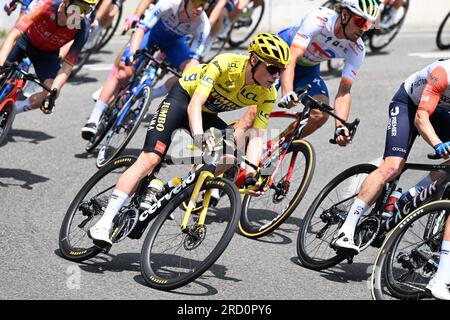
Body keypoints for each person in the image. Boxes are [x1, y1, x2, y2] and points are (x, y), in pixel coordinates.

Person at [87, 32, 291, 248]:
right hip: (183, 100)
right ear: (254, 60)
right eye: (272, 68)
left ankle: (169, 189)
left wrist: (251, 172)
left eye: (281, 70)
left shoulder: (267, 93)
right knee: (150, 159)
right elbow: (195, 103)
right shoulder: (226, 63)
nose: (277, 75)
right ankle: (104, 221)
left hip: (208, 114)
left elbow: (257, 135)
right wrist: (200, 137)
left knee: (230, 157)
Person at [333, 59, 450, 300]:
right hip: (411, 105)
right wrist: (437, 144)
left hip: (442, 113)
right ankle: (347, 227)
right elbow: (421, 118)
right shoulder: (443, 72)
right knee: (393, 166)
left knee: (446, 168)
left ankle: (403, 199)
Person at [81, 0, 211, 140]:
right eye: (197, 2)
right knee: (124, 72)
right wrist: (132, 54)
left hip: (173, 44)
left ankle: (153, 94)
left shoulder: (203, 25)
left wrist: (186, 78)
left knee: (191, 75)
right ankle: (94, 119)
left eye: (204, 5)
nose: (199, 8)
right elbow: (142, 29)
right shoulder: (169, 4)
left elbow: (194, 60)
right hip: (152, 34)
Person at [276, 0, 379, 145]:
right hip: (282, 53)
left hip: (308, 68)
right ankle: (236, 145)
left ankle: (274, 147)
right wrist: (287, 92)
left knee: (320, 114)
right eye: (360, 21)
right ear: (344, 15)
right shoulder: (319, 19)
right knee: (258, 107)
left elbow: (344, 92)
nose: (363, 29)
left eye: (368, 24)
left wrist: (340, 126)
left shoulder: (357, 49)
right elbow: (291, 58)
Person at [0, 0, 95, 114]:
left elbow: (68, 65)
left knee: (50, 93)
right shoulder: (47, 5)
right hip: (25, 41)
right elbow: (14, 34)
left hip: (46, 55)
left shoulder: (83, 28)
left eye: (87, 10)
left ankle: (12, 112)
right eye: (79, 7)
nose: (81, 15)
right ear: (66, 2)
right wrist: (1, 64)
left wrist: (53, 93)